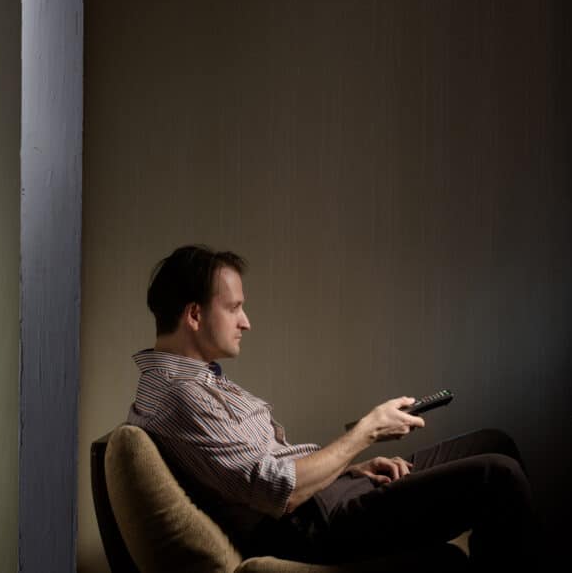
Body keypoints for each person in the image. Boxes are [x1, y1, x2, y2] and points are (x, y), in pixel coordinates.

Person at [127, 244, 538, 570]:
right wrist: (366, 432)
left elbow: (266, 465)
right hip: (317, 526)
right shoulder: (180, 394)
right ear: (195, 315)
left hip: (325, 498)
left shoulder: (196, 381)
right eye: (234, 308)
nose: (246, 321)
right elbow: (277, 492)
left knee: (494, 442)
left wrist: (350, 468)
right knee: (496, 476)